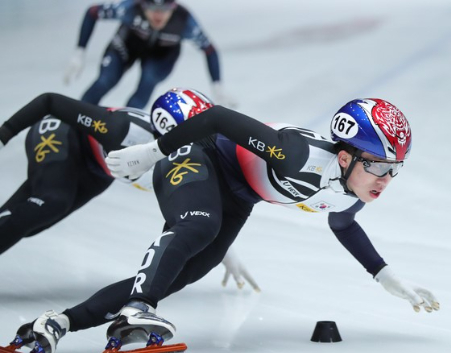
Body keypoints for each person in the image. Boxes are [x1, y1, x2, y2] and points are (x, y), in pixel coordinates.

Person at [4, 90, 439, 353]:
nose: (387, 179)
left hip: (238, 194)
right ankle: (138, 309)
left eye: (395, 168)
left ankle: (59, 323)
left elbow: (342, 224)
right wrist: (155, 151)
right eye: (380, 166)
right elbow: (215, 119)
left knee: (188, 271)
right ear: (345, 157)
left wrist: (386, 277)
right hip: (197, 153)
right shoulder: (296, 154)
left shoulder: (353, 189)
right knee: (198, 227)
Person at [0, 90, 258, 285]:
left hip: (99, 169)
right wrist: (5, 132)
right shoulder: (122, 130)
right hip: (63, 131)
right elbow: (50, 102)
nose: (209, 145)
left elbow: (197, 205)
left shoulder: (197, 156)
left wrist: (223, 249)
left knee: (33, 220)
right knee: (51, 201)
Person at [64, 0, 236, 109]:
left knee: (148, 80)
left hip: (161, 56)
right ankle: (75, 123)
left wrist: (217, 86)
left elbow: (209, 50)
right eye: (152, 8)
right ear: (142, 4)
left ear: (173, 6)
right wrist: (79, 52)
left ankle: (125, 127)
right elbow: (92, 13)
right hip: (126, 46)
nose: (158, 15)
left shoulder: (184, 21)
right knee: (105, 81)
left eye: (164, 9)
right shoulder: (130, 8)